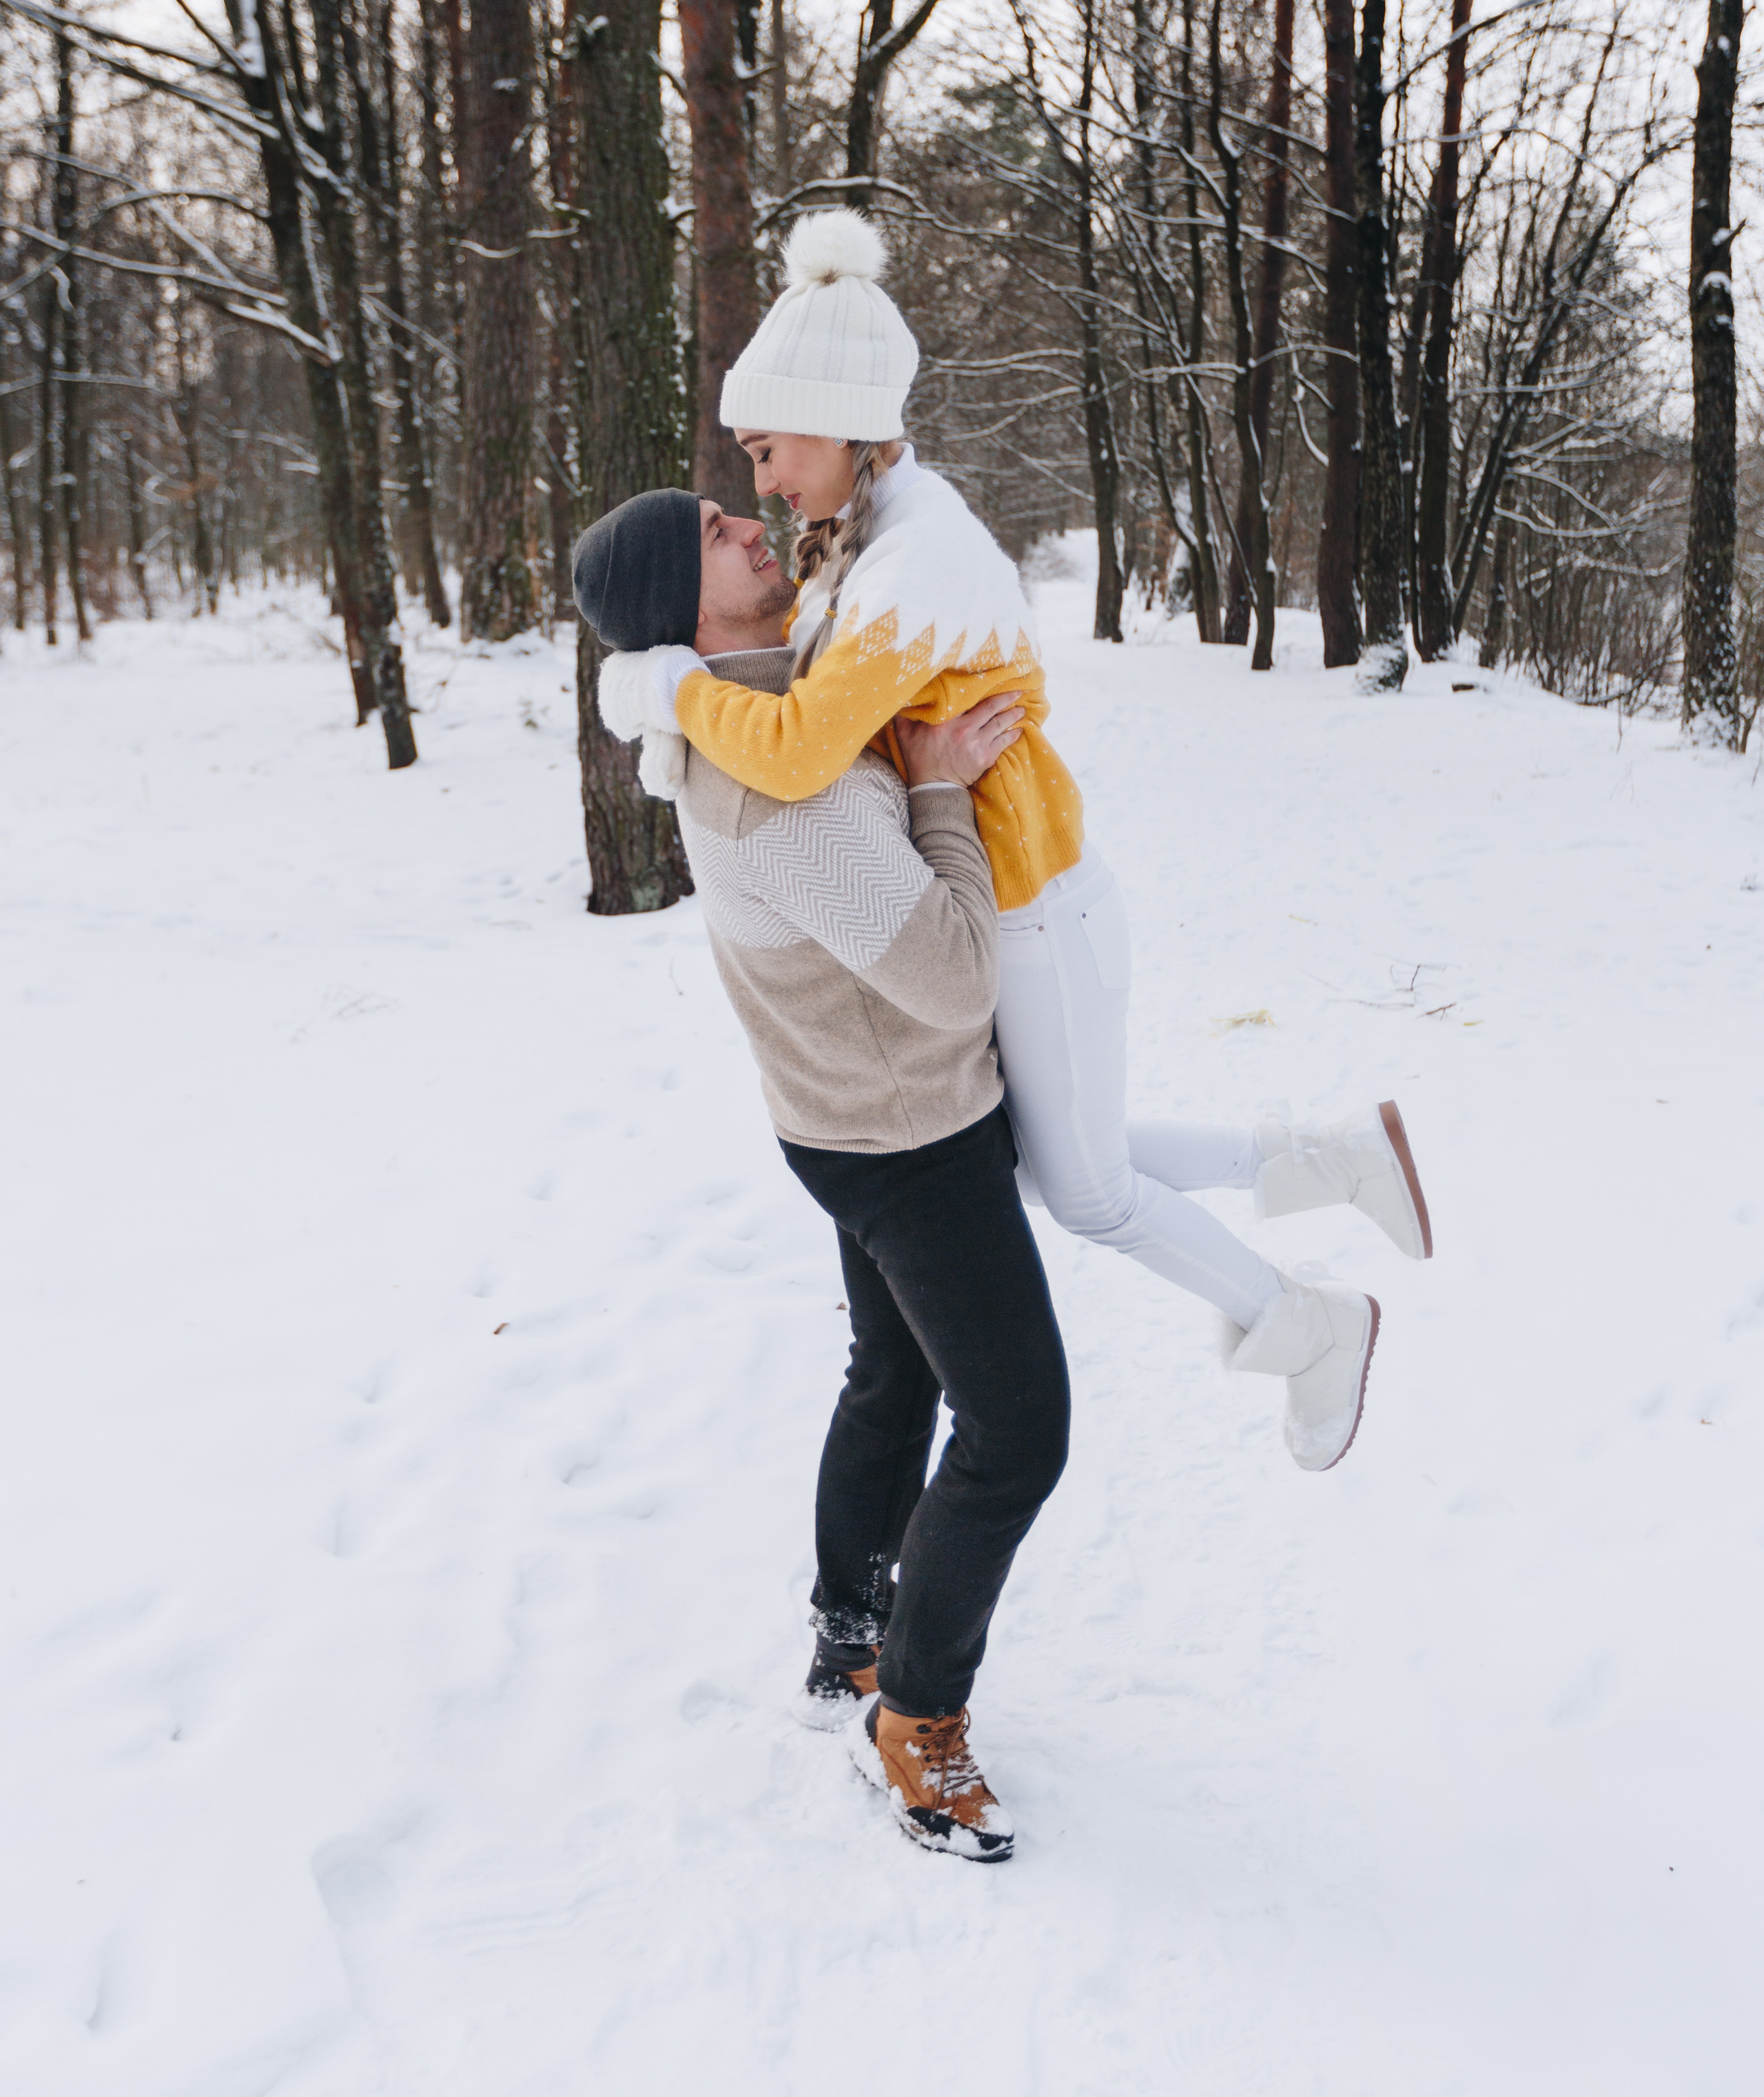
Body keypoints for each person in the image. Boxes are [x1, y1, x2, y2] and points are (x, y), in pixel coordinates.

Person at [599, 210, 1434, 1477]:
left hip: (1032, 904)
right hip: (1019, 888)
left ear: (833, 421)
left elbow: (798, 752)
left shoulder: (916, 561)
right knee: (1055, 1169)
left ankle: (1305, 1323)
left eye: (769, 448)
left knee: (1084, 1190)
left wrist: (659, 691)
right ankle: (1326, 1160)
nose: (765, 481)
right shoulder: (874, 539)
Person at [573, 485, 1069, 1863]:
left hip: (839, 1116)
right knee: (1017, 1430)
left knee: (893, 1374)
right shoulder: (768, 790)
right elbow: (949, 974)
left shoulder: (771, 701)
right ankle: (913, 1719)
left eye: (742, 509)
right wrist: (934, 787)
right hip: (905, 1134)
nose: (750, 531)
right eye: (719, 538)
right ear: (683, 610)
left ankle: (848, 1635)